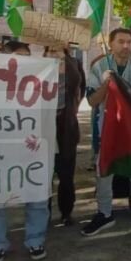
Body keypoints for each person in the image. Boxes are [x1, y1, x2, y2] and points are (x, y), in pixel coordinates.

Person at [81, 28, 131, 246]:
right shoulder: (99, 67)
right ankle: (104, 214)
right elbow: (92, 101)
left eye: (129, 42)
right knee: (103, 171)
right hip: (107, 129)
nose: (126, 46)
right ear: (111, 44)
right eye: (121, 42)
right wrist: (107, 83)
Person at [0, 42, 50, 261]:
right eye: (17, 57)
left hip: (32, 147)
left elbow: (56, 107)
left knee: (36, 196)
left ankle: (35, 240)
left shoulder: (40, 83)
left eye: (26, 57)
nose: (22, 61)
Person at [44, 44, 83, 227]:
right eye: (50, 50)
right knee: (43, 175)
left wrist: (64, 60)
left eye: (58, 50)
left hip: (65, 127)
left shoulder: (73, 64)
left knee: (66, 175)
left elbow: (79, 86)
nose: (54, 53)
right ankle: (43, 213)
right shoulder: (36, 66)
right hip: (42, 127)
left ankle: (66, 212)